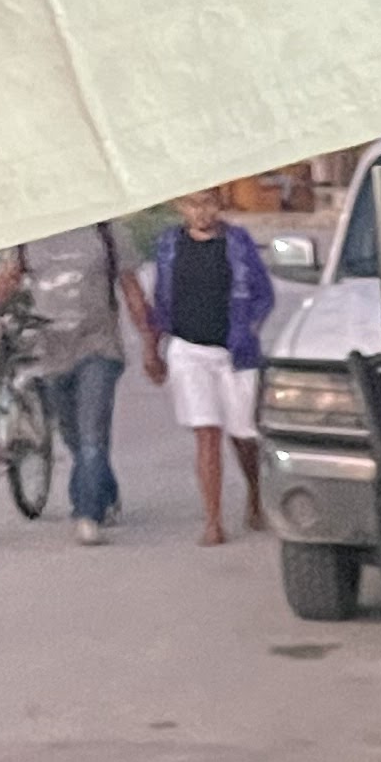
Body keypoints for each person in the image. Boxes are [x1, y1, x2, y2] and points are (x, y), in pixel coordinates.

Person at [0, 221, 151, 546]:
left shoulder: (106, 231)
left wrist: (149, 342)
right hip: (51, 353)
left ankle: (87, 513)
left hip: (99, 347)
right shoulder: (28, 235)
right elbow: (6, 281)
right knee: (73, 436)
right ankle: (105, 490)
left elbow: (131, 288)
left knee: (91, 434)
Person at [142, 187, 274, 545]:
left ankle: (255, 495)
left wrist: (248, 327)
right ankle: (213, 521)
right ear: (179, 206)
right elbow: (161, 302)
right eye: (192, 204)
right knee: (207, 432)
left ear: (219, 205)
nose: (201, 212)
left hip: (234, 354)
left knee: (243, 435)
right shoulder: (169, 245)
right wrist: (152, 349)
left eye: (208, 204)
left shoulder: (238, 243)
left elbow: (263, 294)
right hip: (188, 351)